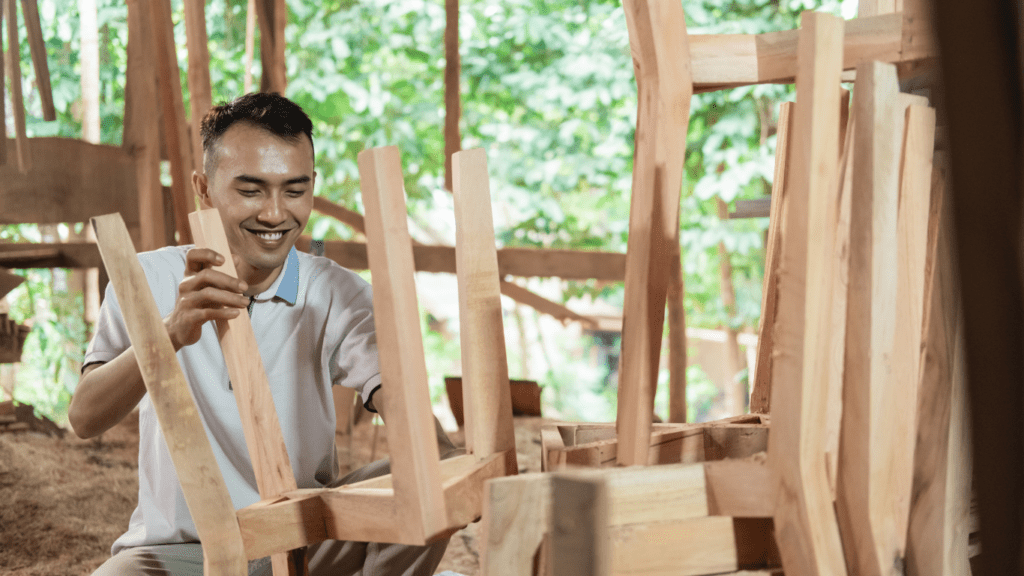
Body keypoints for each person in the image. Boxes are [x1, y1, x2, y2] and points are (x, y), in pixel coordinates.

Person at [69, 92, 459, 576]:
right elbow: (84, 417)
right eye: (251, 191)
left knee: (433, 469)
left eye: (294, 191)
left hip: (305, 538)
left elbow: (397, 399)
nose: (276, 214)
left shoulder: (336, 291)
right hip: (182, 551)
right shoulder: (147, 277)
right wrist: (168, 334)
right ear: (204, 189)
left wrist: (423, 446)